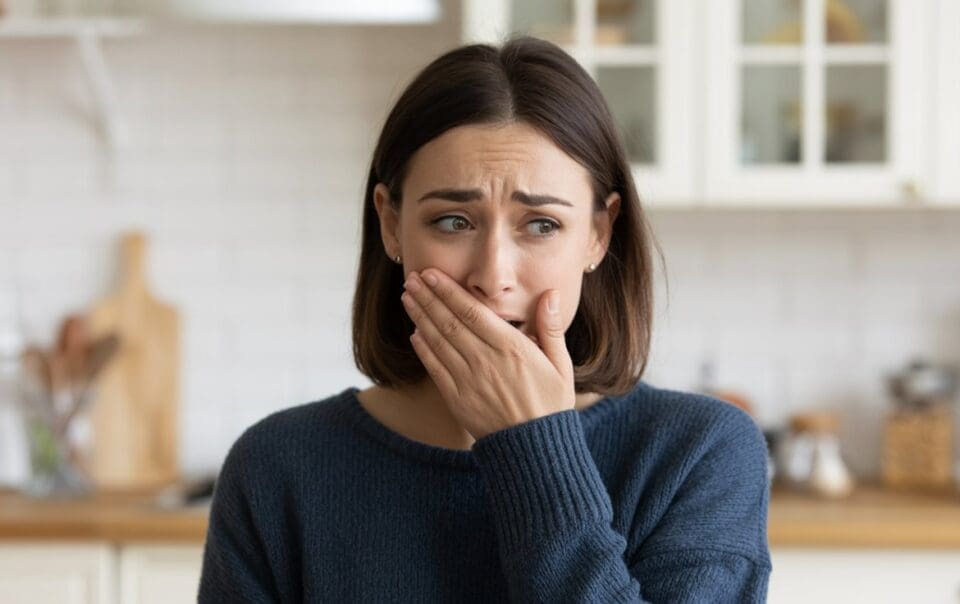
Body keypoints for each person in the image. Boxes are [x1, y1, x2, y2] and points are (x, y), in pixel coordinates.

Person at [198, 36, 771, 603]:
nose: (493, 275)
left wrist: (532, 449)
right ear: (391, 224)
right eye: (453, 221)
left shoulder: (701, 455)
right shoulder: (277, 466)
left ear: (599, 234)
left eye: (541, 224)